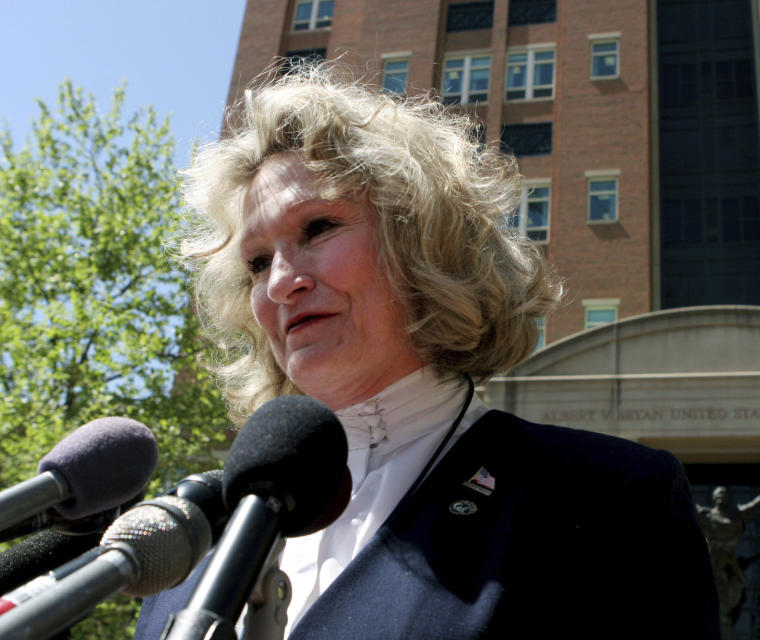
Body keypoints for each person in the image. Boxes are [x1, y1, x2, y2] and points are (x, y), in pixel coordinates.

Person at [134, 64, 720, 639]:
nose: (282, 281)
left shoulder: (606, 501)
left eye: (318, 229)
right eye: (257, 262)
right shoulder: (183, 546)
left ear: (423, 242)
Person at [696, 480, 760, 639]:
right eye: (718, 494)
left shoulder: (735, 514)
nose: (721, 497)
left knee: (733, 587)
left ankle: (722, 613)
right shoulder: (706, 516)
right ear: (713, 498)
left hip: (729, 562)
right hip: (713, 560)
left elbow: (752, 505)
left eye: (724, 494)